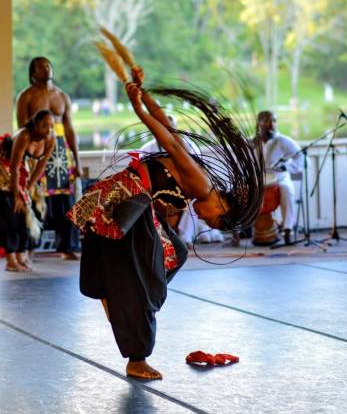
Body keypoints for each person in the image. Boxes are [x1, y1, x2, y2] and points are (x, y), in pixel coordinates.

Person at [67, 66, 264, 380]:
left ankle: (127, 301)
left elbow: (169, 131)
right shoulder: (201, 185)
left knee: (175, 253)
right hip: (124, 199)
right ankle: (136, 353)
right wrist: (136, 107)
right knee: (147, 277)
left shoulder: (203, 183)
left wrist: (143, 94)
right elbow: (168, 141)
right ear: (220, 206)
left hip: (132, 203)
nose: (203, 219)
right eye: (212, 220)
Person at [16, 57, 82, 260]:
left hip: (62, 153)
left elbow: (70, 129)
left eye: (48, 64)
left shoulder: (62, 95)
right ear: (33, 72)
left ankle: (67, 246)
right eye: (41, 66)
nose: (47, 68)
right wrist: (29, 155)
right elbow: (22, 129)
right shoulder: (26, 96)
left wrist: (77, 161)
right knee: (37, 197)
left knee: (67, 199)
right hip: (38, 149)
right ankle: (30, 246)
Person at [140, 116, 224, 247]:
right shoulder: (147, 148)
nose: (165, 131)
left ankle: (185, 235)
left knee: (194, 200)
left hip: (183, 188)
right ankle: (156, 237)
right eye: (161, 128)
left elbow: (198, 169)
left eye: (168, 128)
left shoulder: (188, 145)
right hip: (155, 192)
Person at [0, 110, 55, 271]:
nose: (49, 129)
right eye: (45, 125)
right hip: (5, 171)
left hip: (24, 174)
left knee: (26, 215)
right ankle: (11, 261)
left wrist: (28, 190)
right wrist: (17, 194)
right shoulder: (24, 135)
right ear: (36, 124)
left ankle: (21, 256)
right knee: (11, 215)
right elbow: (14, 167)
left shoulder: (50, 138)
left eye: (51, 125)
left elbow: (41, 165)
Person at [256, 110, 303, 244]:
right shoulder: (253, 142)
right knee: (241, 191)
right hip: (259, 181)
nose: (272, 124)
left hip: (280, 178)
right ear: (258, 124)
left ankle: (287, 229)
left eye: (274, 121)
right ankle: (241, 232)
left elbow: (301, 157)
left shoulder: (283, 141)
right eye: (267, 121)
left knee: (287, 190)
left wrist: (287, 167)